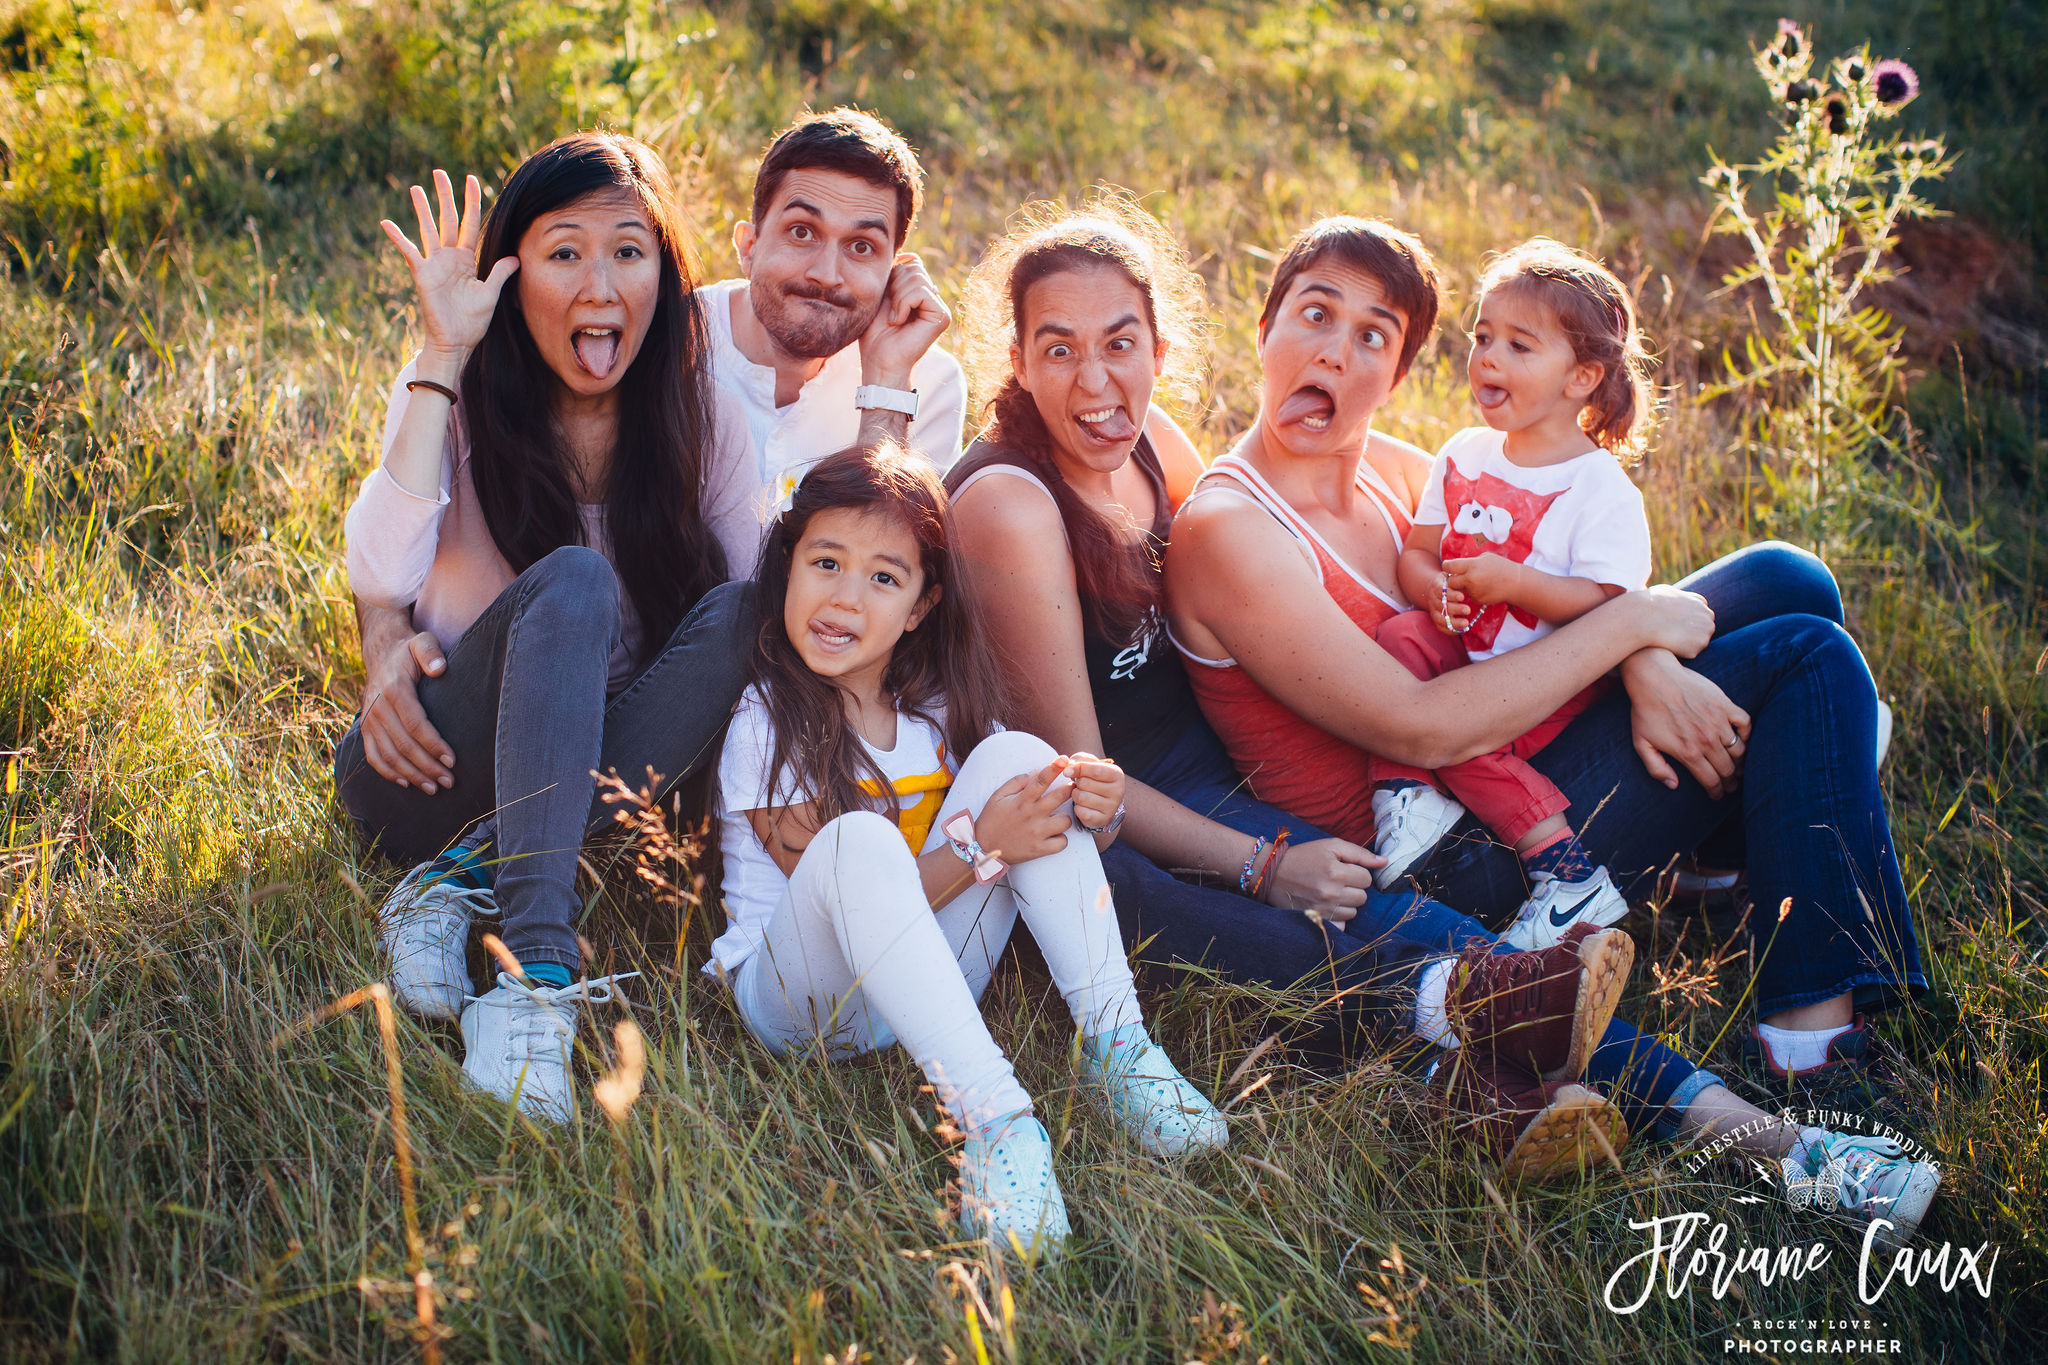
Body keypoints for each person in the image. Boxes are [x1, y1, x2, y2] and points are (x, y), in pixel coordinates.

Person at [1153, 215, 1936, 1229]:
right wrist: (1631, 627)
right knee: (1805, 659)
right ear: (1262, 328)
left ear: (1395, 373)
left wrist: (1644, 659)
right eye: (1313, 315)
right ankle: (1806, 1033)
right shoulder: (1230, 529)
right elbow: (1420, 728)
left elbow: (1549, 606)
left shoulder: (1393, 469)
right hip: (1437, 849)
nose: (1332, 353)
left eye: (1371, 336)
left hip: (1504, 756)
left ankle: (1725, 848)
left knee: (1788, 577)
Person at [940, 200, 1679, 1190]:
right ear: (1017, 358)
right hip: (1106, 829)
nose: (1096, 381)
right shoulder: (1011, 504)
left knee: (1777, 592)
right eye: (1057, 349)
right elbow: (1087, 790)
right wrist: (1260, 861)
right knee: (1334, 925)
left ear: (1160, 348)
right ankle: (1688, 1108)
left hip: (1234, 787)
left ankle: (1477, 1070)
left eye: (1120, 344)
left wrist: (1642, 649)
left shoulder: (1147, 440)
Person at [711, 442, 1225, 1261]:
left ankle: (1120, 1046)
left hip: (920, 987)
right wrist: (987, 845)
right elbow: (850, 906)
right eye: (826, 563)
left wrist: (1090, 797)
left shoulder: (935, 711)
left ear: (920, 605)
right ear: (788, 570)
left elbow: (1037, 819)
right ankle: (997, 1124)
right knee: (856, 841)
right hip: (804, 1004)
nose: (845, 598)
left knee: (1025, 760)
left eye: (883, 577)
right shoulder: (764, 721)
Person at [333, 134, 756, 1121]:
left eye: (628, 249)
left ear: (665, 272)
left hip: (588, 772)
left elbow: (766, 614)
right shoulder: (461, 385)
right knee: (573, 586)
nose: (599, 283)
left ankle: (457, 884)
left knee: (748, 614)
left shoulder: (702, 410)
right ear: (513, 278)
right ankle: (536, 969)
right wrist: (442, 352)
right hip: (425, 764)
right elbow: (379, 570)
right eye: (563, 251)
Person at [1369, 238, 1661, 951]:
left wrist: (1519, 584)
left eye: (1519, 346)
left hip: (1550, 684)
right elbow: (1417, 551)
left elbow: (1611, 604)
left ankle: (1567, 877)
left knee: (1466, 740)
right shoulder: (1463, 453)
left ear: (1582, 377)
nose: (1488, 358)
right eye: (1483, 337)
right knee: (1398, 639)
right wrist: (1434, 592)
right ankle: (1408, 797)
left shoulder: (1598, 487)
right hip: (1470, 654)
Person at [703, 106, 968, 542]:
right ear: (748, 246)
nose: (827, 273)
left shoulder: (930, 382)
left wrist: (887, 384)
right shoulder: (671, 341)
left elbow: (882, 572)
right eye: (802, 232)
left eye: (861, 246)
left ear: (894, 272)